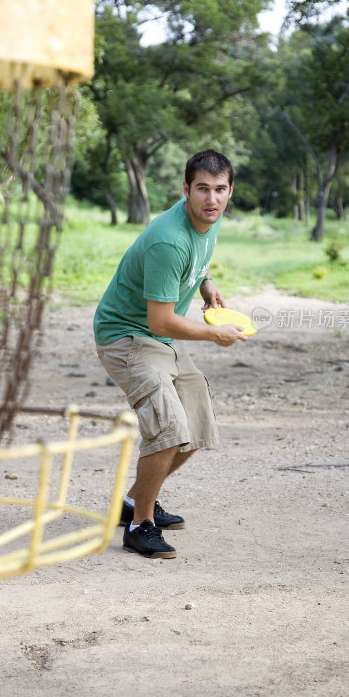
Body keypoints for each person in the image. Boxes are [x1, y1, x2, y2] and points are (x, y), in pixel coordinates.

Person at [93, 150, 249, 559]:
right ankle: (139, 525)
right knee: (168, 426)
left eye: (219, 190)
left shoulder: (207, 222)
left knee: (195, 424)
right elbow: (161, 321)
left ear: (230, 191)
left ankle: (130, 502)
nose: (211, 199)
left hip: (158, 338)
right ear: (186, 190)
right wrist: (214, 335)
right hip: (126, 337)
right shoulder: (169, 239)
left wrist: (207, 285)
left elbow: (198, 262)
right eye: (202, 189)